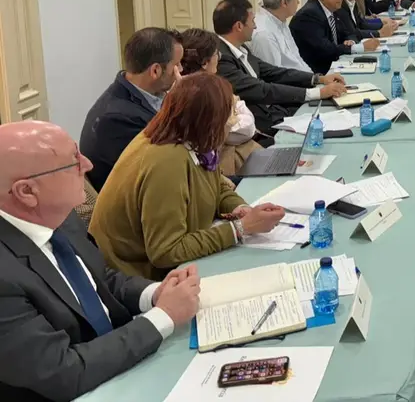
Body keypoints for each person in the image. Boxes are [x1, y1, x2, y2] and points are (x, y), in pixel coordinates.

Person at [0, 121, 201, 401]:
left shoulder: (61, 216)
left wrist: (155, 293)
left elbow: (99, 279)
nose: (88, 165)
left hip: (119, 365)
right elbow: (64, 373)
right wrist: (165, 316)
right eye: (73, 162)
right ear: (26, 192)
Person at [88, 74, 287, 280]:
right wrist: (239, 228)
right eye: (229, 116)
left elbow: (215, 184)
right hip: (139, 277)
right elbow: (166, 252)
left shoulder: (187, 137)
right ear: (209, 122)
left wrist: (239, 209)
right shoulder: (166, 161)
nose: (231, 123)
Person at [214, 0, 347, 132]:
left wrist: (317, 79)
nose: (255, 26)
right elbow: (261, 89)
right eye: (252, 21)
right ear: (239, 26)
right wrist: (317, 93)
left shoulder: (241, 48)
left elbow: (273, 72)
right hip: (259, 125)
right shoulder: (221, 59)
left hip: (275, 111)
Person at [80, 27, 182, 192]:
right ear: (155, 70)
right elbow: (169, 167)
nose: (181, 71)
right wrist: (187, 105)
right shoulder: (118, 119)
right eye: (177, 65)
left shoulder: (144, 94)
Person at [179, 28, 262, 173]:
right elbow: (246, 130)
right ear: (205, 62)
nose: (220, 57)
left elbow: (242, 112)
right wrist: (234, 116)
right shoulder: (203, 93)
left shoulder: (214, 85)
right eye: (217, 53)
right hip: (218, 169)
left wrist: (232, 116)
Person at [290, 0, 380, 74]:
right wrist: (360, 47)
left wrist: (350, 41)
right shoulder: (309, 14)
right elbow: (325, 49)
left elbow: (349, 33)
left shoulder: (335, 9)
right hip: (317, 72)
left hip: (336, 65)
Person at [250, 0, 312, 72]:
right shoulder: (264, 34)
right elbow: (274, 77)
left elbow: (297, 60)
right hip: (293, 86)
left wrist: (318, 79)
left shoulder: (280, 21)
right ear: (284, 3)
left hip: (304, 80)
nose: (298, 2)